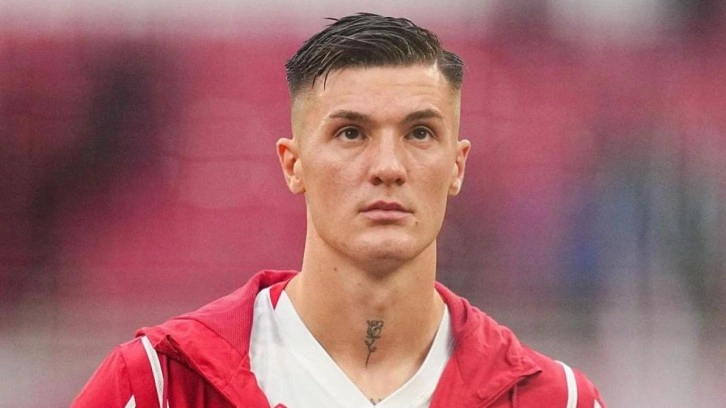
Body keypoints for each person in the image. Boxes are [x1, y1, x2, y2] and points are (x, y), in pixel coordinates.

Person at [73, 12, 606, 408]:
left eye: (420, 133)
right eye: (351, 133)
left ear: (457, 165)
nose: (388, 167)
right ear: (293, 164)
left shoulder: (556, 401)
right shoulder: (158, 386)